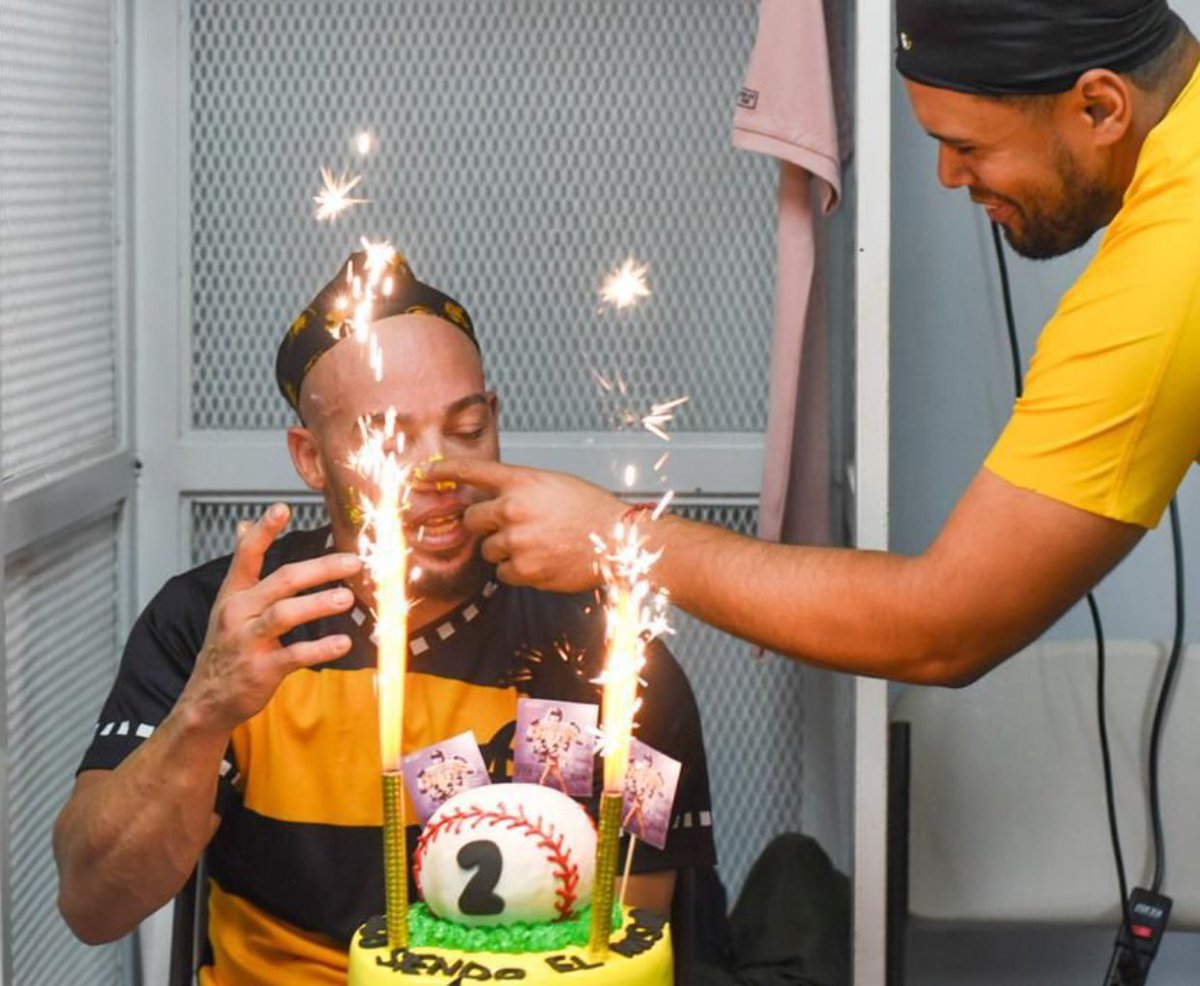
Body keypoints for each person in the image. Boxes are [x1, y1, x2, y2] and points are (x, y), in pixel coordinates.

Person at [427, 0, 1200, 689]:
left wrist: (616, 538)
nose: (947, 175)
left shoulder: (1167, 275)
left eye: (968, 144)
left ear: (1100, 107)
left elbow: (945, 628)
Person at [53, 251, 716, 985]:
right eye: (389, 444)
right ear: (310, 457)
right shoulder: (224, 628)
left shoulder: (606, 646)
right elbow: (94, 904)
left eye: (465, 428)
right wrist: (205, 712)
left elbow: (635, 939)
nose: (442, 474)